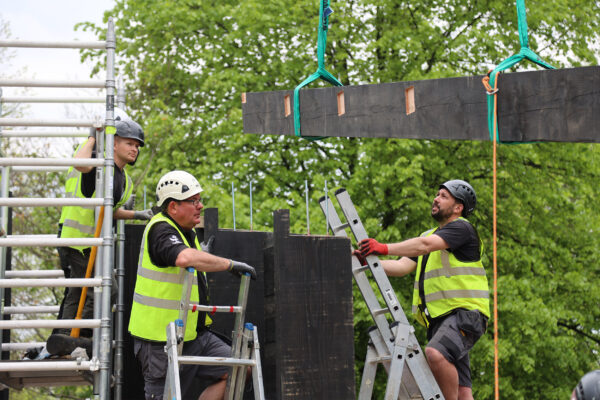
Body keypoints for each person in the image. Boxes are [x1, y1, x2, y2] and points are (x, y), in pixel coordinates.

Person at [128, 170, 257, 400]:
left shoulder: (186, 232)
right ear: (173, 207)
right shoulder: (160, 229)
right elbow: (183, 258)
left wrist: (201, 254)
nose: (200, 206)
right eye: (193, 201)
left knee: (239, 368)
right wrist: (229, 264)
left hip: (192, 335)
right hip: (160, 340)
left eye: (199, 200)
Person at [357, 179, 489, 400]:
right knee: (462, 391)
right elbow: (401, 266)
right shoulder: (429, 236)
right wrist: (367, 262)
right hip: (440, 320)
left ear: (459, 208)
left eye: (443, 196)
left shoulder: (461, 228)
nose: (436, 199)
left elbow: (423, 246)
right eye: (437, 194)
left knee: (435, 354)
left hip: (464, 315)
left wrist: (383, 248)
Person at [46, 112, 153, 356]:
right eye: (129, 143)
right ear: (114, 142)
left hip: (90, 243)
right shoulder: (98, 163)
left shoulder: (124, 179)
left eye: (137, 146)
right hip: (77, 239)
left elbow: (109, 212)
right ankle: (78, 339)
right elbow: (79, 163)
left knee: (77, 291)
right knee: (105, 289)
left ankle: (62, 341)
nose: (134, 149)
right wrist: (93, 134)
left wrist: (137, 215)